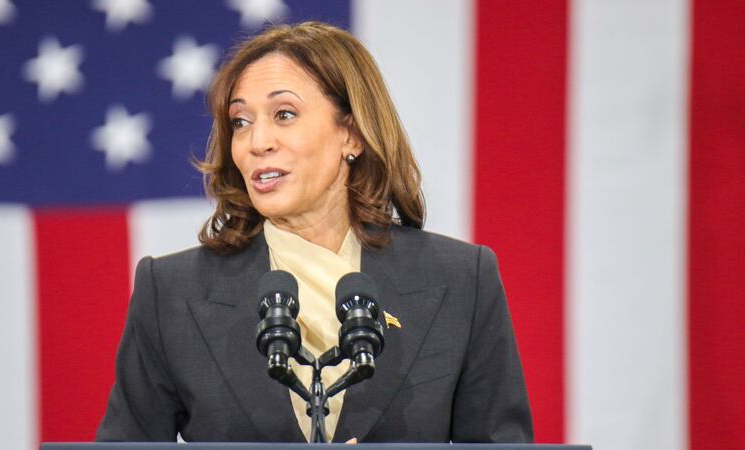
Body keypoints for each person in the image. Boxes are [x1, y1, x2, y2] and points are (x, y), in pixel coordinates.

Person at [96, 21, 533, 443]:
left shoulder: (461, 280)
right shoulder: (170, 292)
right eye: (241, 121)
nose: (257, 141)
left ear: (353, 134)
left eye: (283, 114)